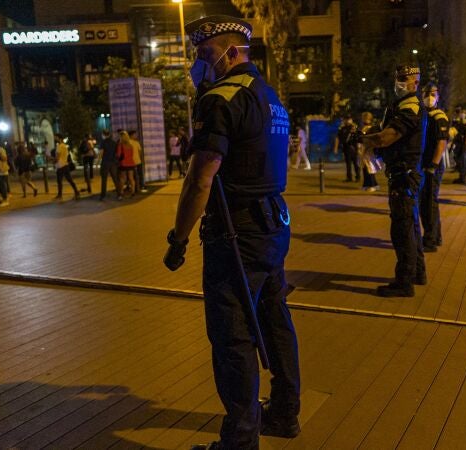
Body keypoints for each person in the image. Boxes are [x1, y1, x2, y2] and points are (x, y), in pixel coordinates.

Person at [164, 15, 300, 450]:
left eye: (203, 56)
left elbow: (200, 179)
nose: (198, 65)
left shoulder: (220, 99)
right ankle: (284, 413)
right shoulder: (270, 96)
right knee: (275, 319)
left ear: (228, 53)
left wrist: (178, 238)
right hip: (273, 225)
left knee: (233, 336)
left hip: (235, 233)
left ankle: (239, 442)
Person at [361, 64, 427, 297]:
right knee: (411, 226)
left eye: (403, 79)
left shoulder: (410, 108)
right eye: (398, 78)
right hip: (406, 174)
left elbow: (388, 137)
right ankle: (418, 272)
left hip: (404, 175)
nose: (399, 82)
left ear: (415, 82)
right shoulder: (400, 106)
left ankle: (404, 282)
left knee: (402, 229)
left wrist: (365, 139)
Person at [419, 83, 449, 252]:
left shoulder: (439, 116)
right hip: (426, 165)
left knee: (428, 203)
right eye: (426, 93)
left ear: (437, 96)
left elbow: (441, 143)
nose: (429, 97)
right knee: (430, 203)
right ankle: (435, 237)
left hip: (432, 166)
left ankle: (429, 241)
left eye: (432, 94)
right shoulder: (426, 115)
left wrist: (433, 165)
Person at [53, 133, 80, 200]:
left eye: (55, 137)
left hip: (60, 165)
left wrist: (52, 160)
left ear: (59, 138)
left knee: (59, 181)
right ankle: (76, 192)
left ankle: (60, 195)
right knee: (69, 180)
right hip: (65, 165)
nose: (55, 139)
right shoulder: (64, 146)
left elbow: (57, 157)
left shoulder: (59, 146)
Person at [333, 114, 359, 182]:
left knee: (355, 163)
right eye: (346, 119)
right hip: (346, 148)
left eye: (349, 119)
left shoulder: (354, 127)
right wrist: (335, 148)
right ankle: (349, 177)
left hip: (353, 148)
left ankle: (358, 177)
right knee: (348, 164)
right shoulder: (342, 128)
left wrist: (359, 148)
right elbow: (338, 138)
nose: (347, 120)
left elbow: (358, 138)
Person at [358, 111, 380, 192]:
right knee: (365, 168)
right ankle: (366, 184)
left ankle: (373, 185)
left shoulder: (370, 128)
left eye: (364, 118)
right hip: (364, 150)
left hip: (368, 151)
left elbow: (368, 140)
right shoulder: (364, 127)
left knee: (369, 168)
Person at [98, 129, 121, 200]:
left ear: (104, 134)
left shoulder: (103, 142)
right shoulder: (114, 142)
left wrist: (98, 162)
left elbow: (101, 153)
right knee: (115, 179)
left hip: (105, 162)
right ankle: (119, 194)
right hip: (113, 162)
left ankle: (103, 195)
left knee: (104, 179)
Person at [450, 106, 466, 184]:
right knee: (458, 159)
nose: (461, 114)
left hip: (463, 144)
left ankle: (463, 178)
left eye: (463, 112)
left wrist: (465, 145)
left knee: (462, 160)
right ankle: (461, 176)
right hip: (458, 143)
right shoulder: (457, 121)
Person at [116, 131, 136, 197]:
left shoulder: (120, 145)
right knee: (131, 178)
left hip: (123, 163)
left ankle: (121, 192)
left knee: (123, 178)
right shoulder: (130, 145)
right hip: (131, 163)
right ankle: (133, 191)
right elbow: (132, 154)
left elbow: (118, 155)